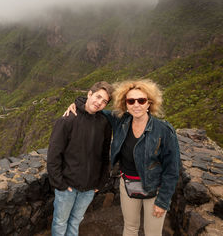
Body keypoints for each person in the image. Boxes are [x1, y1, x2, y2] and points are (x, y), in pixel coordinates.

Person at [64, 79, 180, 236]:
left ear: (149, 103)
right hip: (128, 186)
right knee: (130, 228)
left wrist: (163, 201)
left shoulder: (164, 130)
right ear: (125, 104)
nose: (136, 104)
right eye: (131, 101)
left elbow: (172, 169)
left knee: (152, 233)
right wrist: (77, 104)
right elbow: (95, 107)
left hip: (155, 189)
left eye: (141, 100)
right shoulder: (121, 121)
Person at [47, 81, 114, 236]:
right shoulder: (68, 119)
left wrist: (101, 180)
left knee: (76, 221)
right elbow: (53, 155)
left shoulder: (104, 123)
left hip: (89, 187)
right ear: (89, 94)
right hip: (68, 186)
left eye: (104, 101)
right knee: (60, 222)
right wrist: (60, 184)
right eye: (98, 97)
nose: (99, 103)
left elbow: (104, 154)